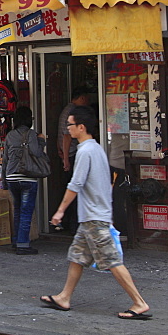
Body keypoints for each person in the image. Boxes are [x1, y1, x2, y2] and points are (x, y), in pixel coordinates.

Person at [40, 105, 152, 320]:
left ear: (81, 127)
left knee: (112, 261)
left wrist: (60, 211)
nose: (68, 129)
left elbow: (76, 184)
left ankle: (139, 302)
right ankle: (64, 297)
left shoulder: (85, 151)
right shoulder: (97, 149)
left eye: (70, 125)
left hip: (94, 218)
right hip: (92, 216)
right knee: (77, 257)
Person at [3, 106, 46, 255]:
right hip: (27, 177)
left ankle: (16, 240)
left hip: (11, 177)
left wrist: (4, 181)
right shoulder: (31, 134)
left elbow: (5, 159)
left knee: (18, 209)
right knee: (26, 211)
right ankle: (23, 244)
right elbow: (36, 153)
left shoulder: (9, 135)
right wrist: (41, 141)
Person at [56, 88, 90, 231]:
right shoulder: (72, 111)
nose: (87, 102)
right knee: (74, 187)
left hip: (67, 153)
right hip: (70, 154)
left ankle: (69, 222)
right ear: (81, 98)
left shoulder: (67, 109)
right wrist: (66, 159)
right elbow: (66, 136)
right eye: (86, 98)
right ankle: (72, 223)